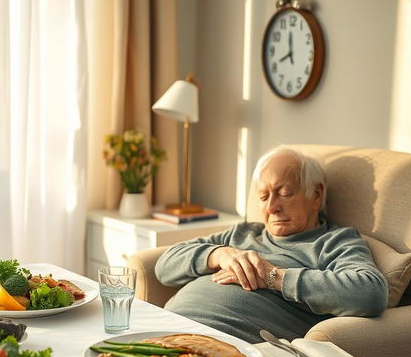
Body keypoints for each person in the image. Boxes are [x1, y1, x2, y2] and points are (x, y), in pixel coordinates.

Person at [154, 146, 388, 342]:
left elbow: (370, 293)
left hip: (221, 342)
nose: (271, 207)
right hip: (164, 326)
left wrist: (273, 277)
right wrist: (218, 255)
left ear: (316, 195)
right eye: (264, 197)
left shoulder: (334, 241)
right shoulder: (244, 233)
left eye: (284, 193)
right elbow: (164, 266)